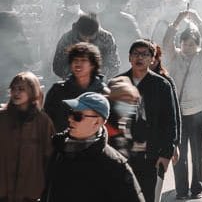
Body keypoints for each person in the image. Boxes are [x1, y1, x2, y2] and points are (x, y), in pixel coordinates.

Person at [42, 91, 144, 202]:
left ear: (97, 122)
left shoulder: (115, 165)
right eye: (71, 113)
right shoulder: (59, 150)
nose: (70, 119)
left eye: (77, 116)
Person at [162, 9, 202, 200]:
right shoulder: (174, 57)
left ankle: (198, 188)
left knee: (197, 153)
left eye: (192, 44)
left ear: (197, 46)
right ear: (180, 44)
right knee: (179, 155)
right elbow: (166, 42)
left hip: (199, 110)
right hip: (179, 112)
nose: (188, 47)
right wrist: (177, 21)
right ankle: (182, 191)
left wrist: (199, 20)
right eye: (185, 43)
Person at [120, 39, 180, 202]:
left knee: (148, 197)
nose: (140, 58)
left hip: (151, 155)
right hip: (124, 154)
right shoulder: (118, 83)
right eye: (136, 54)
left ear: (152, 59)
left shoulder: (162, 85)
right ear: (129, 57)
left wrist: (168, 152)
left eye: (145, 54)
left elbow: (170, 121)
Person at [0, 71, 54, 202]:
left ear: (32, 91)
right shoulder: (2, 117)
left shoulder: (43, 121)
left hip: (29, 192)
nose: (16, 92)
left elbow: (49, 155)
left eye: (21, 89)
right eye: (13, 89)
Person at [44, 42, 108, 133]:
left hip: (93, 143)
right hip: (62, 143)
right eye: (75, 60)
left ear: (93, 65)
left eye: (83, 60)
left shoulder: (103, 93)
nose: (78, 64)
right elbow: (47, 120)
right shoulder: (58, 90)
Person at [52, 13, 120, 80]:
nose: (87, 41)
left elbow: (114, 65)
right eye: (84, 37)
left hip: (99, 83)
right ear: (78, 31)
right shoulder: (67, 39)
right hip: (72, 83)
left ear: (96, 32)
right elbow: (58, 66)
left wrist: (97, 74)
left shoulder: (106, 39)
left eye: (91, 38)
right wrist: (76, 74)